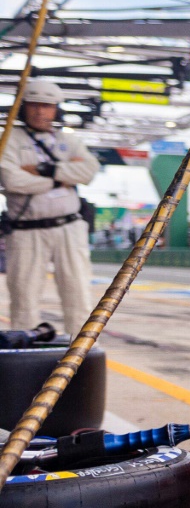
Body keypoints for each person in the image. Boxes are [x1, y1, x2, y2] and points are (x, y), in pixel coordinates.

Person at [2, 79, 100, 335]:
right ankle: (24, 354)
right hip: (26, 230)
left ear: (57, 109)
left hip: (69, 226)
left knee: (77, 294)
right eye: (34, 105)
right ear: (23, 107)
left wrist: (45, 171)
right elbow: (12, 180)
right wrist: (63, 178)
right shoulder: (9, 139)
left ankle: (81, 354)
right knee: (23, 297)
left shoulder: (69, 139)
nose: (40, 111)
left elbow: (89, 171)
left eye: (46, 106)